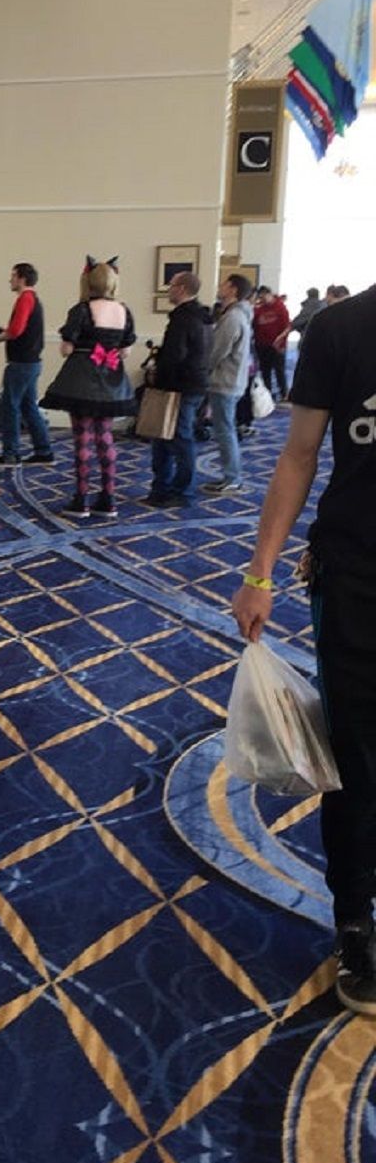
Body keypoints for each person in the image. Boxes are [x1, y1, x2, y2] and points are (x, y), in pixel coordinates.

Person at [231, 283, 376, 1015]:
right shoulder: (342, 329)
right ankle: (355, 921)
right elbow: (297, 456)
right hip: (357, 580)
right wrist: (260, 572)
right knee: (358, 759)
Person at [41, 257, 136, 520]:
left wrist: (78, 347)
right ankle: (108, 499)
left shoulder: (81, 310)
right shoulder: (124, 311)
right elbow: (126, 351)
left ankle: (81, 499)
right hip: (111, 380)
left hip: (81, 379)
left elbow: (66, 348)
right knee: (105, 436)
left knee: (82, 438)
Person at [144, 270, 208, 508]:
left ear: (181, 289)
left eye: (171, 285)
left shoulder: (183, 318)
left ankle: (181, 491)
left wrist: (157, 376)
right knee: (169, 438)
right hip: (194, 383)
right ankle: (163, 488)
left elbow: (175, 355)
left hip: (180, 385)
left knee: (179, 439)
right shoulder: (202, 316)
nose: (168, 290)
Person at [0, 262, 53, 466]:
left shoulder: (25, 298)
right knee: (29, 407)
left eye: (13, 276)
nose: (10, 280)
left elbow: (16, 330)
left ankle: (10, 454)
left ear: (22, 278)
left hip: (21, 364)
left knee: (9, 407)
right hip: (31, 363)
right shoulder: (33, 299)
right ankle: (44, 451)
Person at [203, 273, 253, 494]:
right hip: (231, 380)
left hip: (225, 381)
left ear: (233, 290)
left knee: (225, 431)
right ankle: (231, 476)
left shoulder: (233, 317)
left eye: (224, 284)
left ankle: (232, 477)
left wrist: (204, 369)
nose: (219, 286)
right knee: (225, 429)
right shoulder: (237, 315)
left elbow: (218, 351)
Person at [252, 285, 290, 401]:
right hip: (262, 344)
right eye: (260, 297)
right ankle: (267, 395)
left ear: (270, 294)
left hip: (277, 345)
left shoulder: (280, 308)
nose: (262, 300)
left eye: (264, 297)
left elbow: (286, 327)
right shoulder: (259, 309)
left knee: (279, 371)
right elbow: (254, 325)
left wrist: (281, 343)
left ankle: (284, 394)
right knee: (265, 371)